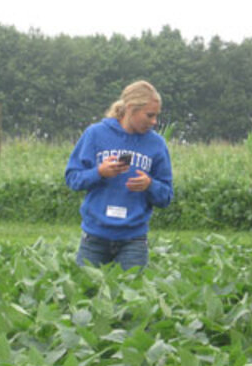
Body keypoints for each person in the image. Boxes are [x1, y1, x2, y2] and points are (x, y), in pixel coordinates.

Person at [65, 80, 173, 270]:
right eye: (149, 115)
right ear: (131, 108)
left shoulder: (157, 144)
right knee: (87, 294)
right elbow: (73, 179)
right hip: (94, 239)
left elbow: (166, 197)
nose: (154, 122)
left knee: (132, 296)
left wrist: (150, 185)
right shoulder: (95, 134)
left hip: (134, 241)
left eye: (156, 116)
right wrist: (99, 172)